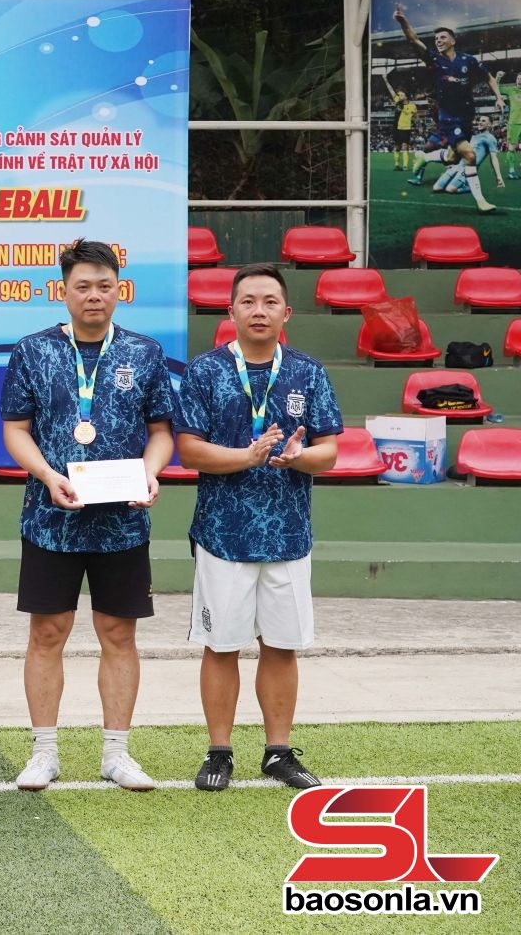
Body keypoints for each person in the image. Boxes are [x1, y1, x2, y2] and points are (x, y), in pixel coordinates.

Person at [0, 239, 177, 792]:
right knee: (47, 633)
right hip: (50, 519)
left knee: (118, 634)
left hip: (122, 522)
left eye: (105, 285)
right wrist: (47, 475)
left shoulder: (145, 353)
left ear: (119, 290)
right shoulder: (33, 351)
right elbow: (15, 430)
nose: (94, 295)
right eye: (83, 286)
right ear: (64, 291)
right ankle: (43, 753)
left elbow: (161, 433)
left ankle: (116, 753)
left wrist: (150, 474)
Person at [175, 264, 341, 792]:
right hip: (223, 534)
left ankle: (277, 752)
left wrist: (300, 457)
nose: (259, 310)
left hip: (287, 534)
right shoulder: (205, 371)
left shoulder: (308, 372)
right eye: (248, 301)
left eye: (270, 302)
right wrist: (246, 457)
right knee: (221, 646)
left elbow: (330, 451)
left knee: (282, 645)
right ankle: (219, 752)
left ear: (286, 313)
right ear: (231, 311)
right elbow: (188, 449)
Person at [394, 3, 502, 212]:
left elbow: (489, 77)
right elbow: (414, 40)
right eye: (436, 39)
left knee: (453, 157)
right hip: (448, 116)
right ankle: (481, 201)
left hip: (467, 115)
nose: (438, 41)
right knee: (469, 155)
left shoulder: (468, 60)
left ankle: (425, 157)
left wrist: (498, 97)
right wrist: (403, 22)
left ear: (453, 40)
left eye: (442, 37)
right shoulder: (434, 59)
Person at [437, 114, 504, 196]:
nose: (480, 122)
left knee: (450, 189)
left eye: (483, 121)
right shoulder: (474, 136)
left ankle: (470, 186)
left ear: (489, 125)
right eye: (479, 120)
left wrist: (498, 177)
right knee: (438, 187)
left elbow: (493, 158)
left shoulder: (490, 138)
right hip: (459, 165)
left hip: (469, 169)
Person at [381, 72, 416, 171]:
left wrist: (419, 126)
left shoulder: (412, 105)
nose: (399, 95)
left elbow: (415, 116)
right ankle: (396, 165)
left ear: (406, 96)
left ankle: (405, 166)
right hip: (396, 127)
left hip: (406, 128)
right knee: (396, 146)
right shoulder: (398, 102)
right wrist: (385, 80)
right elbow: (391, 90)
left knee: (405, 147)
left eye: (401, 94)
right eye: (399, 94)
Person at [494, 70, 521, 179]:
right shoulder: (511, 90)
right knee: (511, 148)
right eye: (518, 78)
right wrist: (498, 77)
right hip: (514, 123)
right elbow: (496, 88)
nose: (519, 80)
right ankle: (511, 171)